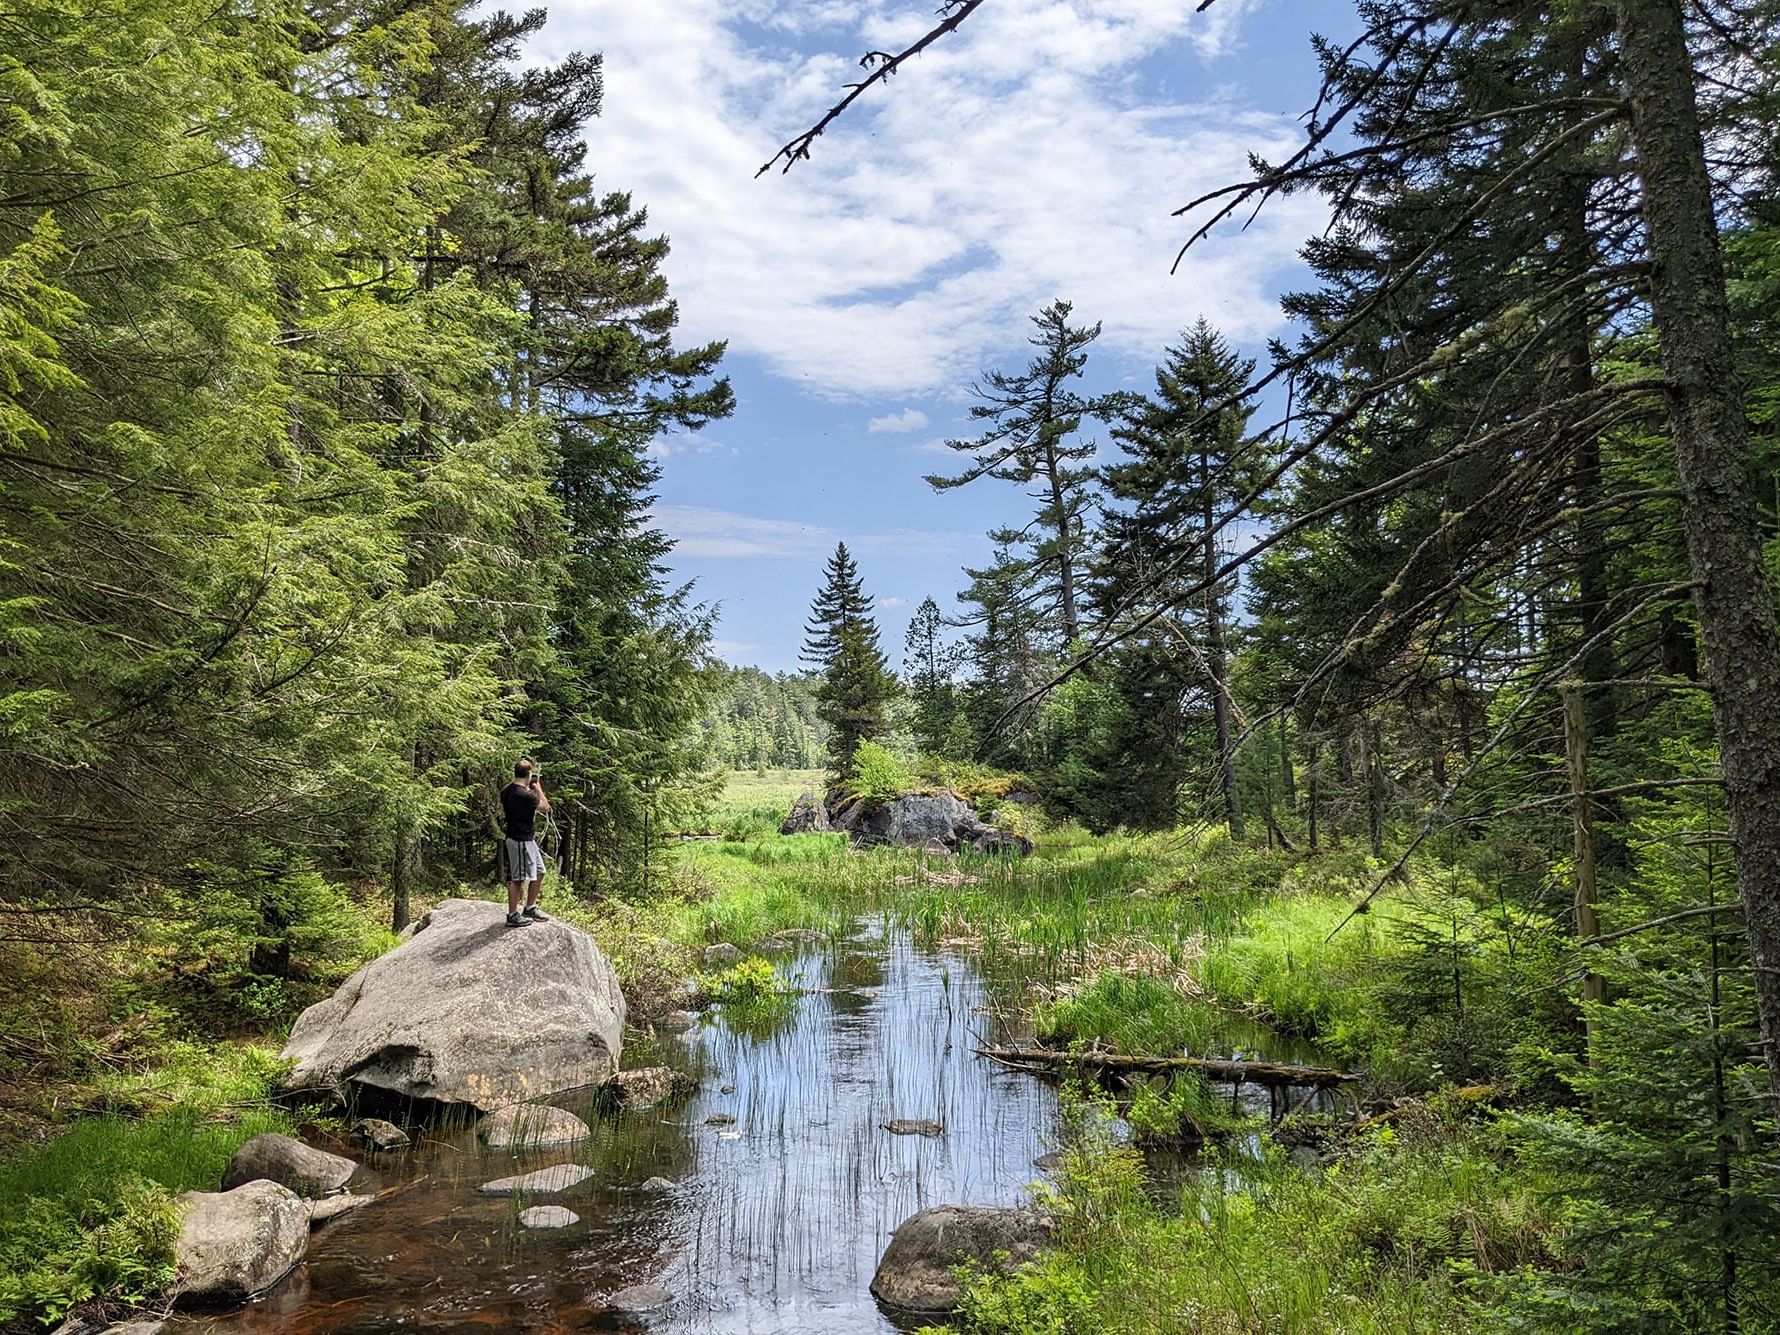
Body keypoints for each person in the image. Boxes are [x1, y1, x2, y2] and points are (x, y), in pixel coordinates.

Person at [500, 758, 552, 927]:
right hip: (520, 839)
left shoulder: (507, 790)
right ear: (529, 775)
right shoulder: (526, 795)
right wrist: (538, 788)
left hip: (525, 839)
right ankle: (513, 914)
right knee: (518, 879)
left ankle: (530, 907)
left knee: (539, 871)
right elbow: (545, 807)